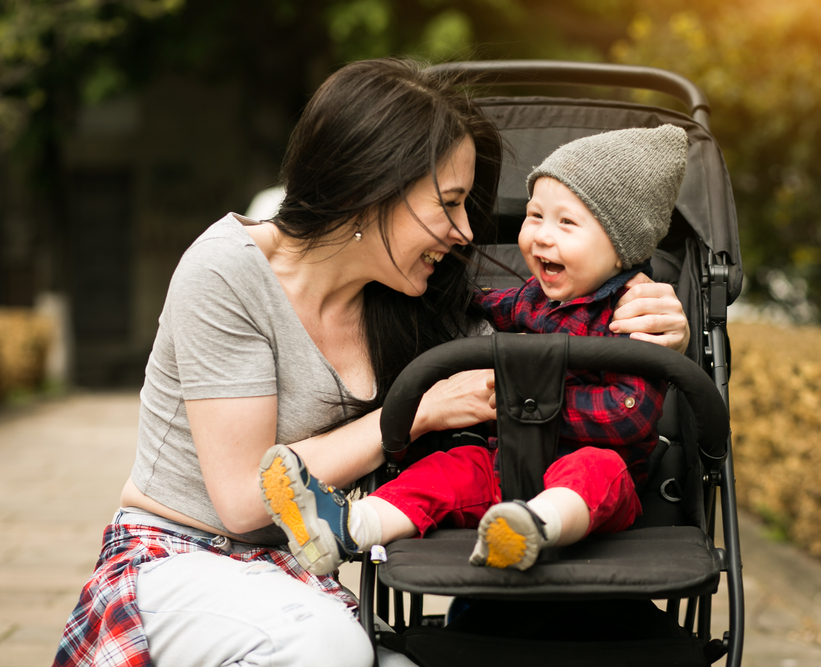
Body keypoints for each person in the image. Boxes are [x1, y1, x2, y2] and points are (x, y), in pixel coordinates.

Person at [54, 58, 691, 667]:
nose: (466, 230)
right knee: (328, 649)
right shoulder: (227, 273)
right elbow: (244, 504)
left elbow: (553, 342)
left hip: (296, 570)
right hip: (177, 554)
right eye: (448, 202)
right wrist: (413, 413)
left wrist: (657, 330)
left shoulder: (412, 300)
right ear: (374, 186)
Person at [260, 123, 689, 575]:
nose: (542, 235)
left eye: (566, 223)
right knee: (449, 470)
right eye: (534, 216)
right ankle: (350, 527)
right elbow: (482, 303)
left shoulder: (635, 317)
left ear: (623, 248)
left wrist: (525, 406)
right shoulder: (533, 298)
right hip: (505, 463)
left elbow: (628, 414)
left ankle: (533, 527)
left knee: (596, 471)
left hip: (593, 477)